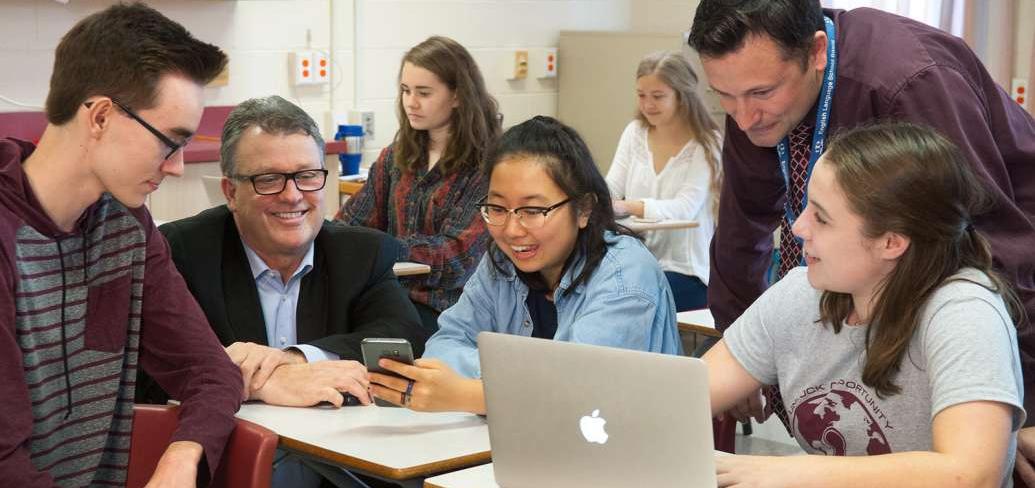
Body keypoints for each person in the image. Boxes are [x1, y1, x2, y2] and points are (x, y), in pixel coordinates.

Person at [688, 0, 1035, 449]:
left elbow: (993, 241)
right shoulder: (751, 90)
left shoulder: (911, 80)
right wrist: (745, 356)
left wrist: (1017, 407)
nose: (743, 117)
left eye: (760, 94)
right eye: (724, 96)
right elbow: (740, 229)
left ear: (815, 53)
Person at [704, 122, 1025, 487]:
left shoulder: (964, 311)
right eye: (807, 207)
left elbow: (969, 474)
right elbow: (683, 397)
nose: (799, 228)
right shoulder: (800, 294)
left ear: (891, 243)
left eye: (821, 218)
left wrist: (791, 471)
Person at [0, 3, 242, 486]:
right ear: (102, 116)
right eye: (169, 141)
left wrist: (180, 459)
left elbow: (211, 372)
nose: (175, 166)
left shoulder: (126, 226)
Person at [367, 116, 683, 414]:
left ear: (584, 209)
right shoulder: (501, 264)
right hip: (523, 445)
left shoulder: (625, 275)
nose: (512, 229)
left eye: (532, 210)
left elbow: (578, 390)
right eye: (498, 208)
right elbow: (445, 343)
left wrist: (471, 393)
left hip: (620, 458)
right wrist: (512, 385)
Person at [135, 95, 426, 411]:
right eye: (269, 179)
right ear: (231, 192)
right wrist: (267, 383)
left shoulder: (362, 253)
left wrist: (294, 359)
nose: (292, 196)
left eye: (307, 176)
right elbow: (149, 370)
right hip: (229, 448)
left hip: (333, 447)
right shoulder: (181, 252)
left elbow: (400, 337)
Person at [336, 36, 500, 336]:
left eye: (423, 93)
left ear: (457, 96)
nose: (411, 102)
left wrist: (378, 250)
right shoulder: (394, 158)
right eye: (405, 90)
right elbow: (349, 225)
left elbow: (455, 259)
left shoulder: (488, 167)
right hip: (385, 297)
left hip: (445, 310)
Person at [605, 50, 722, 312]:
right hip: (640, 261)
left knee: (625, 300)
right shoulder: (635, 132)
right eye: (641, 95)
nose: (648, 105)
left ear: (682, 97)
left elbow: (684, 207)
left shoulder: (707, 143)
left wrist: (628, 206)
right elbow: (611, 185)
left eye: (658, 96)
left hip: (688, 273)